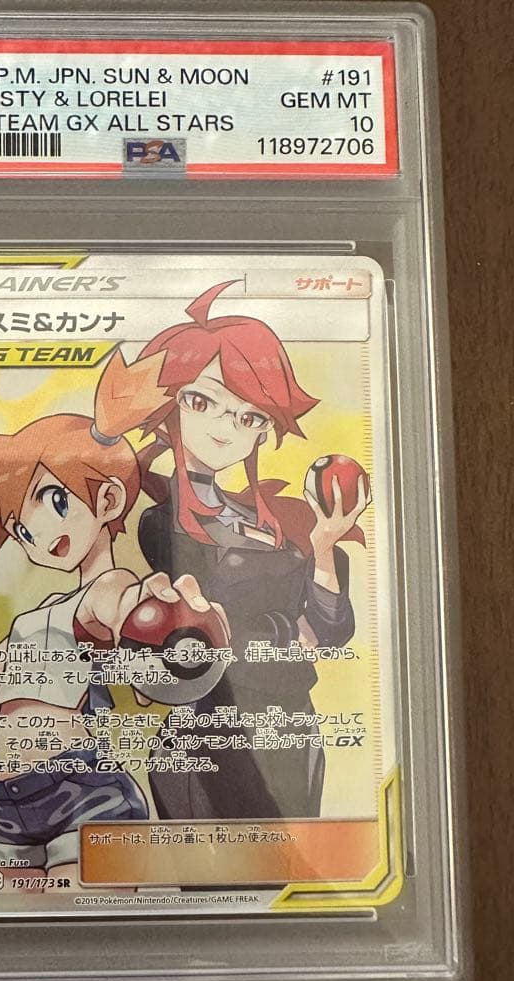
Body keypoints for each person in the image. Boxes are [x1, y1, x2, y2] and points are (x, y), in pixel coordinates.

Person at [92, 280, 370, 820]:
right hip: (209, 737)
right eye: (201, 402)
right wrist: (287, 629)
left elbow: (332, 630)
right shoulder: (161, 524)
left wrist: (322, 544)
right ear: (169, 406)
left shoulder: (274, 523)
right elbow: (198, 636)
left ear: (265, 430)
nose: (226, 427)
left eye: (250, 417)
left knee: (291, 871)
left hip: (291, 729)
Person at [0, 368, 227, 882]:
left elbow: (124, 606)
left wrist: (167, 612)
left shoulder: (104, 589)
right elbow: (6, 704)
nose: (36, 533)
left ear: (108, 501)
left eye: (54, 501)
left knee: (80, 917)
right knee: (9, 923)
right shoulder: (35, 617)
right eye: (21, 528)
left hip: (83, 794)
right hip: (10, 805)